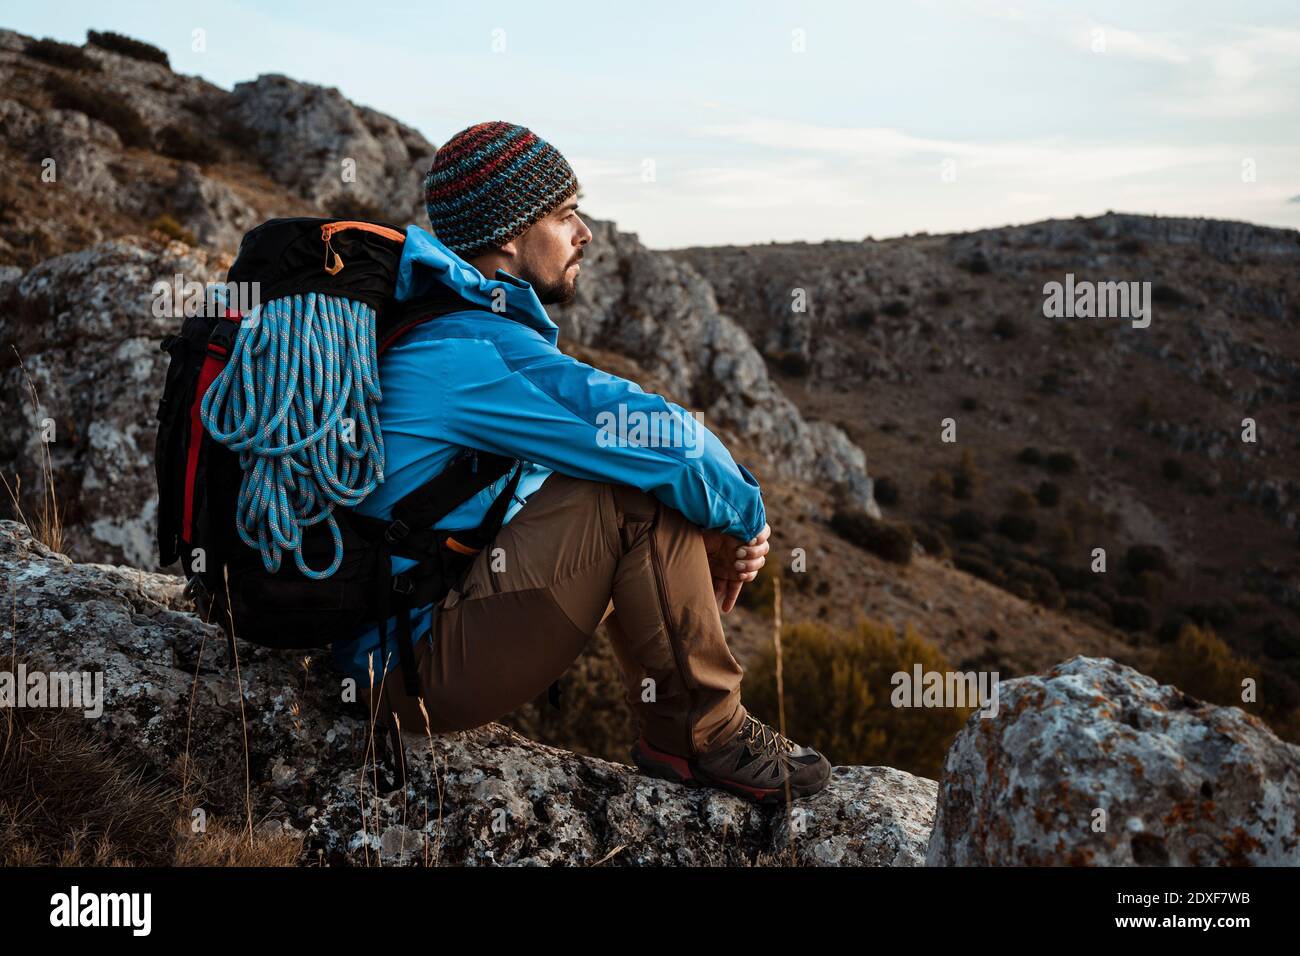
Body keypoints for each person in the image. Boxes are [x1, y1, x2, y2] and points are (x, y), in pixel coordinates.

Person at [338, 121, 831, 804]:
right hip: (405, 669)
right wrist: (745, 518)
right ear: (509, 236)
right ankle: (703, 735)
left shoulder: (436, 324)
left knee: (636, 477)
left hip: (377, 646)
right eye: (566, 215)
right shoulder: (480, 352)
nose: (586, 233)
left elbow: (528, 492)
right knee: (631, 489)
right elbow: (666, 440)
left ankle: (690, 727)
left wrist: (711, 527)